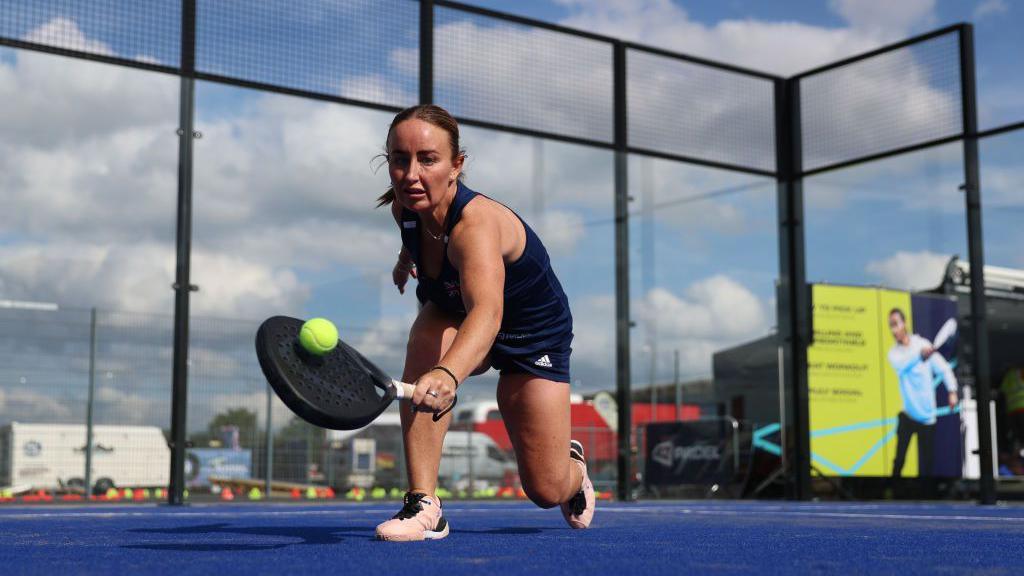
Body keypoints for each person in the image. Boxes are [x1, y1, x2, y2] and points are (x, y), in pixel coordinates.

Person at [372, 104, 593, 541]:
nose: (411, 174)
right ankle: (424, 503)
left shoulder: (475, 226)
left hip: (531, 332)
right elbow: (420, 243)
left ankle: (573, 467)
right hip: (457, 309)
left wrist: (448, 374)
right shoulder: (405, 210)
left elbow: (488, 314)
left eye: (427, 159)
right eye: (400, 159)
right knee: (425, 341)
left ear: (457, 165)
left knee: (547, 488)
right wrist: (405, 261)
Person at [886, 308, 958, 478]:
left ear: (905, 323)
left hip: (927, 418)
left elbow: (944, 369)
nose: (894, 329)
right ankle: (892, 493)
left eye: (896, 324)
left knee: (927, 465)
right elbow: (902, 366)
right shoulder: (893, 354)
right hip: (908, 416)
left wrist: (952, 390)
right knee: (899, 461)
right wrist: (919, 356)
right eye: (891, 325)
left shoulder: (922, 344)